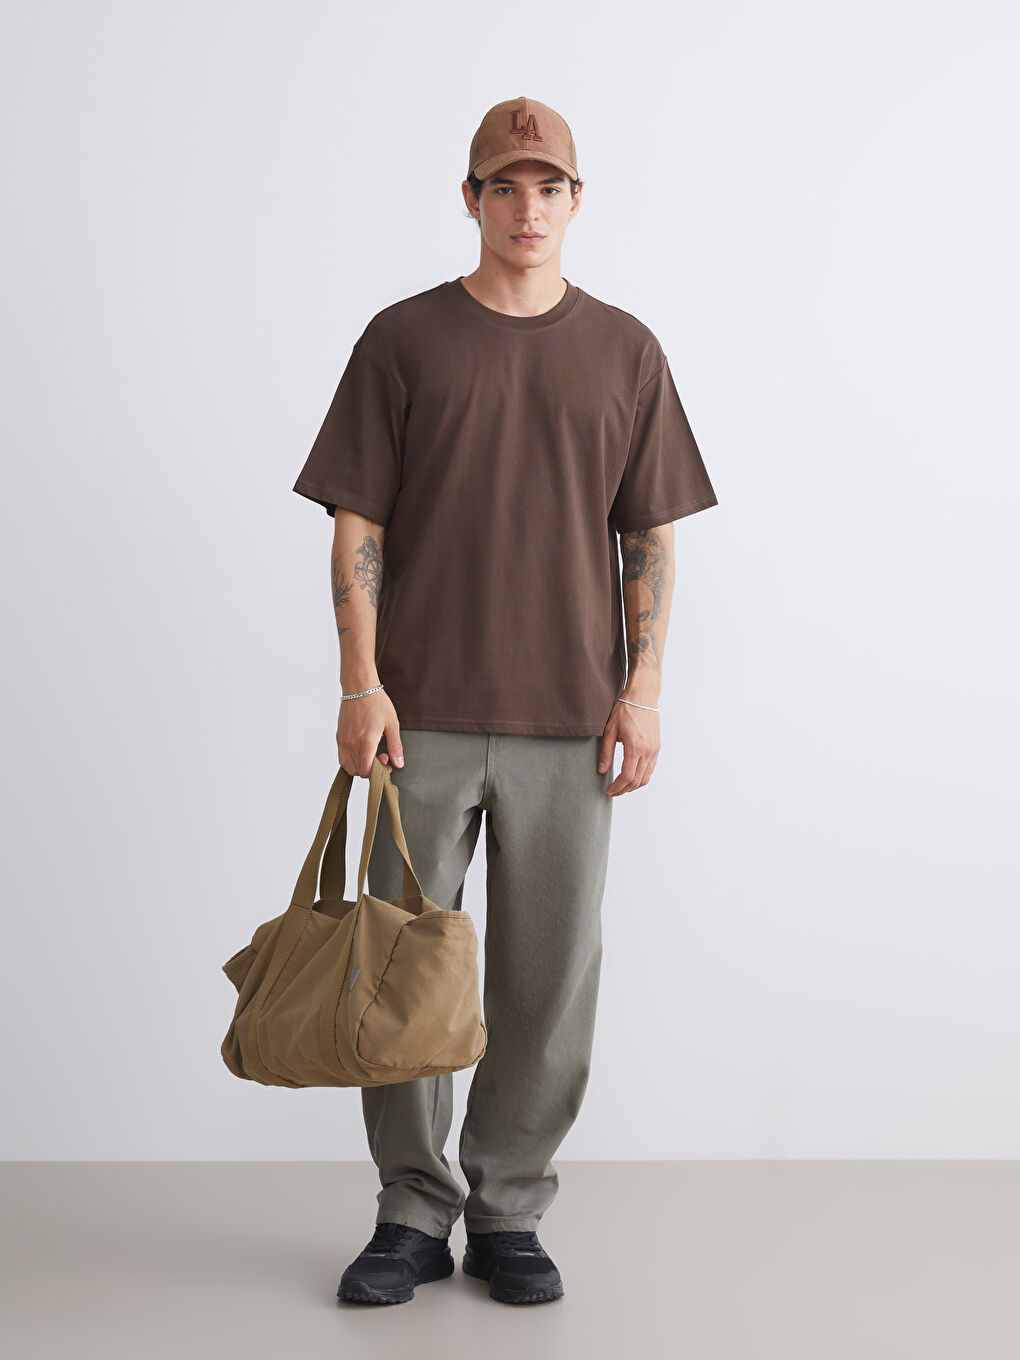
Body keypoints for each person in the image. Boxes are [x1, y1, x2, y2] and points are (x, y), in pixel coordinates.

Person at [292, 95, 719, 1307]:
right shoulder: (404, 339)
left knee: (547, 979)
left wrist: (642, 691)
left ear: (577, 201)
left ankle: (511, 1209)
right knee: (401, 971)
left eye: (548, 187)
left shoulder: (627, 351)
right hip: (416, 713)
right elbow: (357, 521)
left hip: (571, 720)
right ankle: (410, 1209)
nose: (527, 208)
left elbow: (650, 536)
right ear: (470, 198)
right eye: (503, 186)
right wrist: (360, 682)